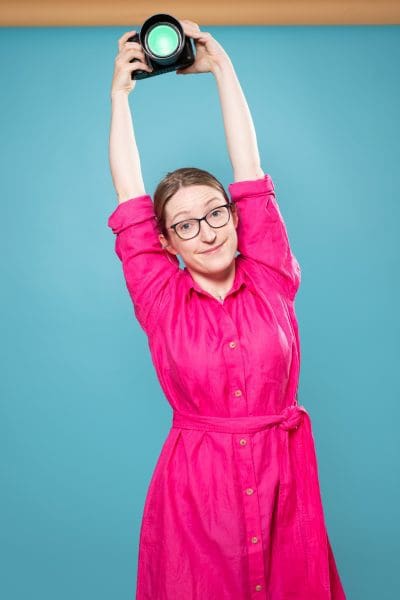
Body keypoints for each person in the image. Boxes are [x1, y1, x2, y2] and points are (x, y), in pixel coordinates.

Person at [108, 19, 346, 600]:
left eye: (217, 213)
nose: (207, 232)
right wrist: (119, 95)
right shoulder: (159, 298)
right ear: (164, 242)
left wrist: (221, 67)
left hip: (283, 482)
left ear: (237, 217)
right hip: (197, 494)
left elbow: (249, 170)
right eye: (185, 224)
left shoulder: (271, 275)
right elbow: (129, 194)